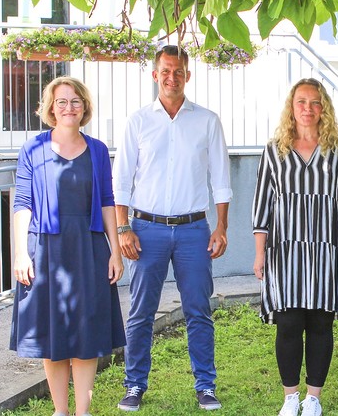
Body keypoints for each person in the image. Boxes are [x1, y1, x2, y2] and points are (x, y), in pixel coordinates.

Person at [113, 45, 232, 412]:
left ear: (187, 76)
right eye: (165, 71)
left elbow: (222, 178)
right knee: (141, 312)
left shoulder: (207, 121)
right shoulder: (138, 121)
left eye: (178, 71)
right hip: (145, 230)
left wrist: (221, 227)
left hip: (194, 230)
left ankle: (205, 386)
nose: (171, 77)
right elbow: (121, 181)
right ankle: (134, 385)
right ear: (154, 74)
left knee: (198, 309)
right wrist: (123, 229)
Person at [10, 76, 125, 416]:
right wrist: (20, 252)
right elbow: (22, 204)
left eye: (75, 101)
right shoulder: (32, 149)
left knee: (86, 333)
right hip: (45, 251)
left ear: (84, 107)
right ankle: (61, 412)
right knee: (53, 335)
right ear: (51, 108)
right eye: (62, 101)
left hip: (89, 250)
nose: (69, 107)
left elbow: (107, 201)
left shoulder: (99, 150)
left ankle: (82, 412)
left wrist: (115, 250)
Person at [252, 78, 338, 416]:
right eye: (301, 102)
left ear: (324, 109)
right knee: (288, 324)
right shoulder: (274, 150)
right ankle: (290, 397)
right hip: (285, 250)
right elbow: (262, 204)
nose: (308, 109)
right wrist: (259, 251)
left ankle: (313, 397)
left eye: (315, 102)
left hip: (327, 249)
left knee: (320, 323)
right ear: (291, 107)